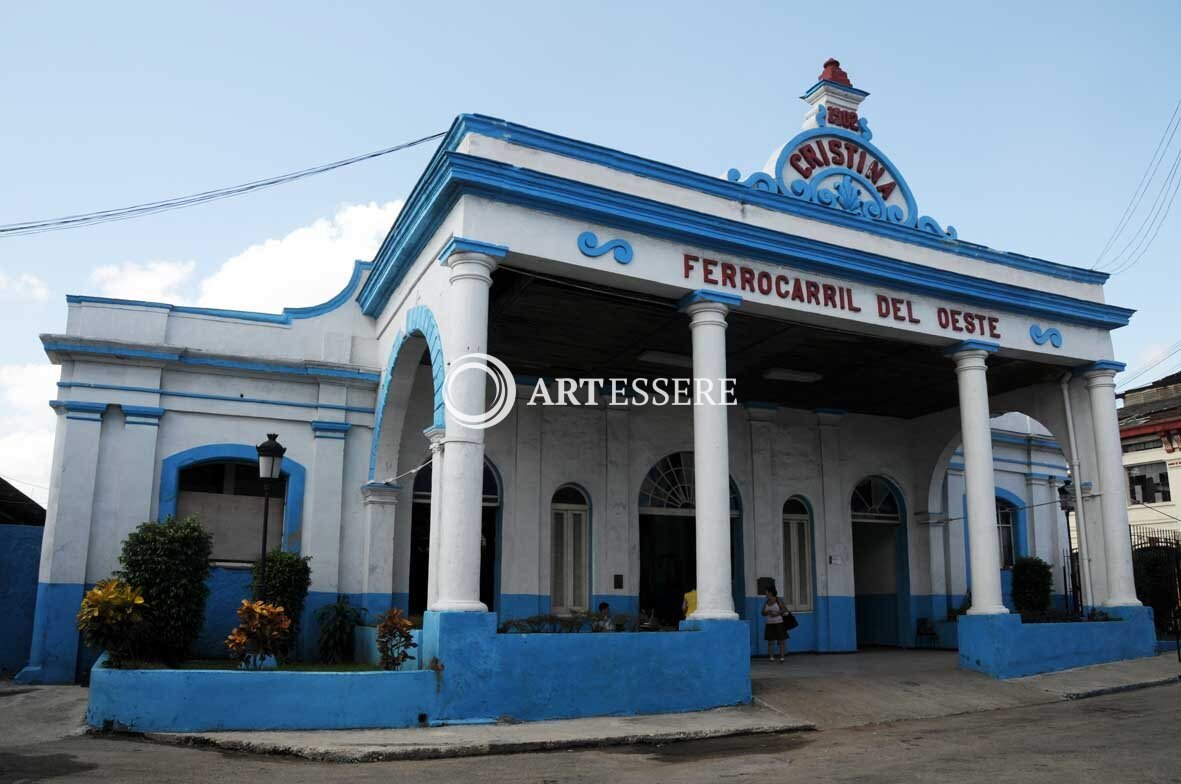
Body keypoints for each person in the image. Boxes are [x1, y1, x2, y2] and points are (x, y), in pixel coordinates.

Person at [762, 586, 789, 662]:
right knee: (770, 641)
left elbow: (784, 609)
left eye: (766, 592)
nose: (765, 594)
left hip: (779, 623)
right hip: (769, 624)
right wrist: (767, 612)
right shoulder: (766, 602)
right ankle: (771, 657)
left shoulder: (778, 600)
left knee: (781, 641)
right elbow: (762, 613)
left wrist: (777, 614)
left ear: (770, 593)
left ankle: (782, 657)